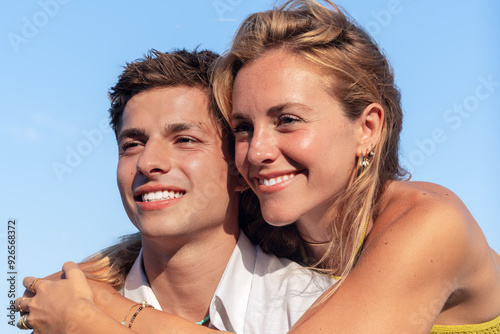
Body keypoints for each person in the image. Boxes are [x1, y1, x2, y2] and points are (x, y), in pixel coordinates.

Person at [210, 0, 500, 333]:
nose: (256, 151)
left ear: (367, 129)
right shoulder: (254, 233)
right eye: (243, 127)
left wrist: (135, 317)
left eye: (287, 120)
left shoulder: (432, 222)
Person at [15, 48, 333, 334]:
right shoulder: (55, 312)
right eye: (132, 144)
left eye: (184, 140)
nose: (148, 162)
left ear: (241, 170)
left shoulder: (313, 307)